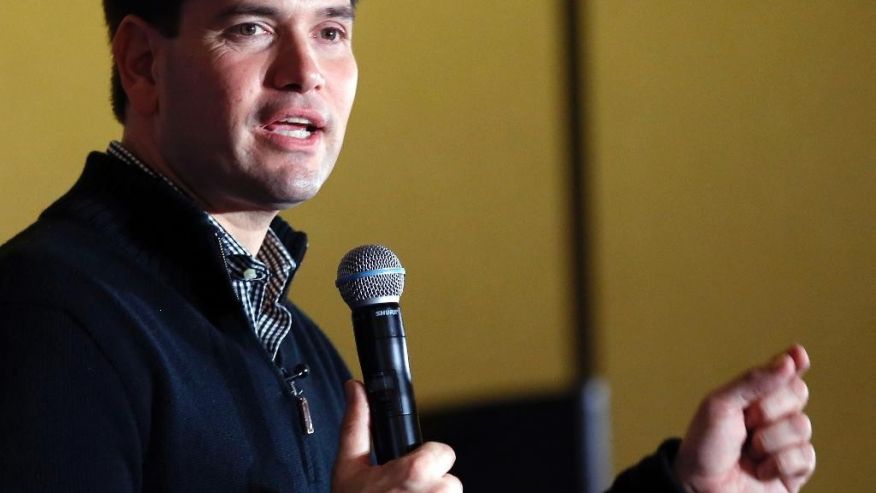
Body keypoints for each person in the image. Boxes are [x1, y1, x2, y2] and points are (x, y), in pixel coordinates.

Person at [0, 1, 814, 492]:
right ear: (142, 63)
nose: (305, 71)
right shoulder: (52, 316)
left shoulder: (300, 346)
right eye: (251, 27)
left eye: (330, 29)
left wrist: (687, 487)